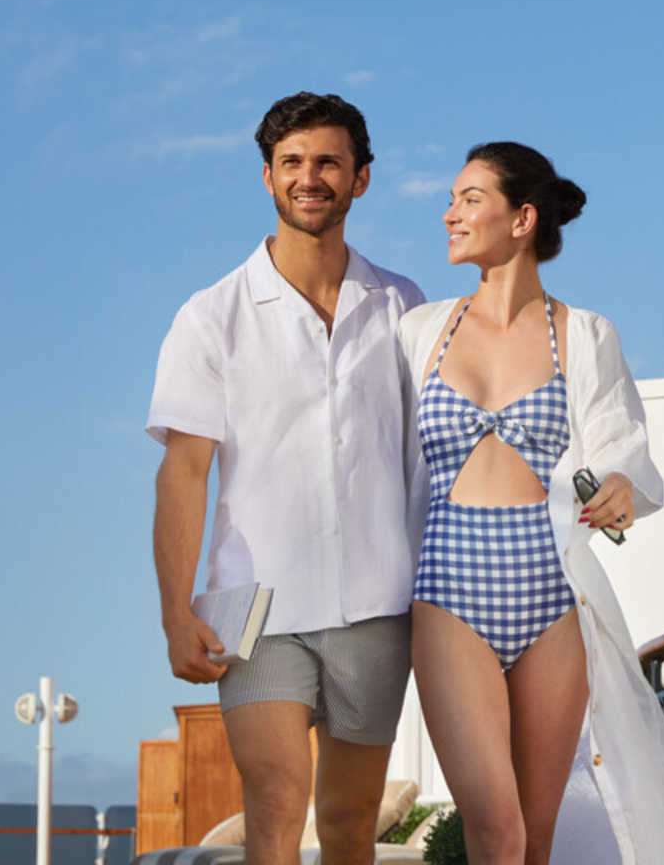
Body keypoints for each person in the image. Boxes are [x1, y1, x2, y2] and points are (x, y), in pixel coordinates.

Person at [401, 142, 664, 865]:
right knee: (497, 830)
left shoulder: (585, 334)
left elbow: (620, 446)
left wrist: (619, 487)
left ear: (522, 219)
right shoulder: (420, 331)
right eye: (451, 199)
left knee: (536, 839)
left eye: (470, 198)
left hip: (551, 594)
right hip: (447, 590)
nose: (450, 214)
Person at [148, 92, 425, 865]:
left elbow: (430, 459)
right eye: (292, 162)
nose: (310, 177)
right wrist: (174, 613)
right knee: (273, 801)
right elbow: (183, 474)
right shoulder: (211, 316)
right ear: (267, 176)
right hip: (256, 607)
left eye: (329, 162)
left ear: (360, 178)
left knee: (349, 818)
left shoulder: (403, 306)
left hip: (378, 602)